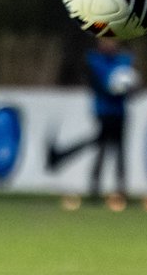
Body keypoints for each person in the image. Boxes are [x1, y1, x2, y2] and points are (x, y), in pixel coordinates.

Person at [46, 36, 140, 209]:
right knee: (103, 147)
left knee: (117, 149)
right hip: (103, 111)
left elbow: (134, 88)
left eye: (112, 41)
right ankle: (95, 188)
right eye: (105, 41)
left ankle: (119, 191)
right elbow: (97, 84)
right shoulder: (94, 61)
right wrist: (115, 87)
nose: (109, 44)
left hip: (120, 113)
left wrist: (131, 88)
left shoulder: (124, 61)